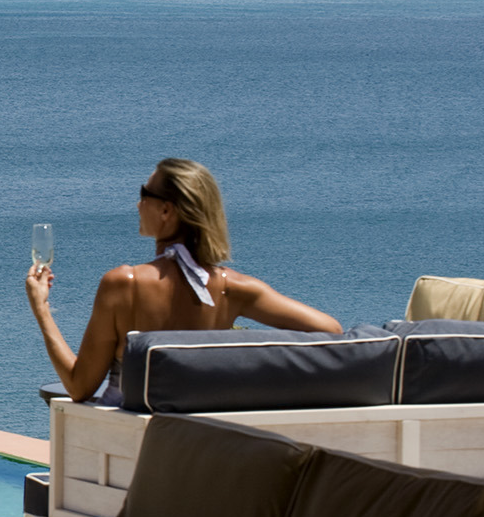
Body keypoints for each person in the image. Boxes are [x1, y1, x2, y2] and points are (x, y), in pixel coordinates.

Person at [26, 158, 342, 404]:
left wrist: (42, 311)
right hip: (196, 442)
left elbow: (79, 387)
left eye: (143, 194)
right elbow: (330, 330)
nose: (138, 204)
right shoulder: (234, 288)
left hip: (130, 444)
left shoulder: (125, 283)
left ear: (166, 210)